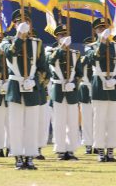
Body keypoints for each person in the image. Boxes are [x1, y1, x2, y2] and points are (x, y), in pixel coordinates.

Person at [0, 10, 46, 170]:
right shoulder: (7, 41)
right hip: (15, 87)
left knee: (32, 124)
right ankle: (18, 155)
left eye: (26, 22)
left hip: (31, 87)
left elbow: (43, 68)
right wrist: (19, 37)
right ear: (14, 25)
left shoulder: (37, 43)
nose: (23, 24)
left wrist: (35, 81)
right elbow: (10, 53)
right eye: (19, 22)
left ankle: (30, 156)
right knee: (15, 124)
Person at [46, 24, 81, 161]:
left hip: (71, 91)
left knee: (72, 122)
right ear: (57, 37)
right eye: (61, 35)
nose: (63, 38)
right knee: (59, 122)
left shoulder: (75, 54)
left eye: (65, 35)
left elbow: (79, 73)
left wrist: (74, 84)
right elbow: (50, 60)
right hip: (58, 91)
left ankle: (71, 150)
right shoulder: (51, 51)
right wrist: (61, 48)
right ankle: (61, 150)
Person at [84, 18, 116, 162]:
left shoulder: (115, 46)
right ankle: (100, 150)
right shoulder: (90, 46)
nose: (103, 31)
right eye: (100, 29)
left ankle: (111, 150)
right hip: (99, 84)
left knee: (112, 120)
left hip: (113, 84)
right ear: (96, 31)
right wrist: (102, 43)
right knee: (99, 120)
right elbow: (93, 58)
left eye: (105, 28)